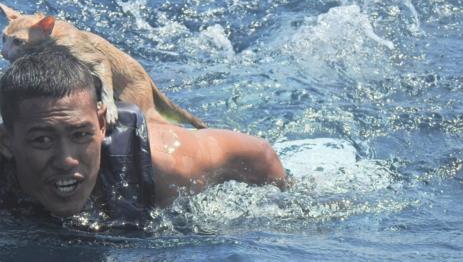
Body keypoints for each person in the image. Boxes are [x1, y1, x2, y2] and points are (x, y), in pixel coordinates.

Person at [0, 45, 286, 223]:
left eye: (80, 135)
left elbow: (257, 152)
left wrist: (284, 201)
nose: (66, 160)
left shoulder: (164, 165)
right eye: (42, 140)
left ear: (101, 124)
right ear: (7, 142)